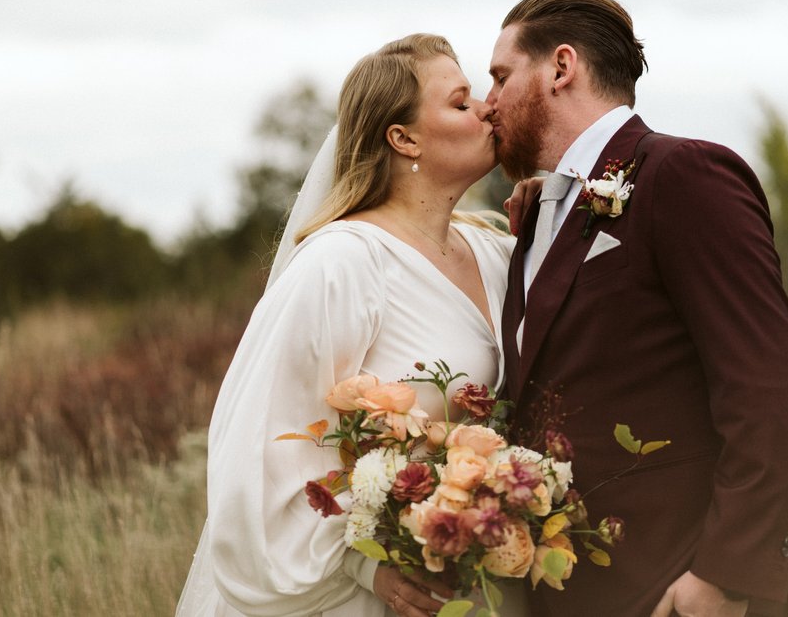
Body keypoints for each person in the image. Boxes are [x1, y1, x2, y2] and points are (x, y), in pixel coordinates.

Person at [175, 33, 527, 617]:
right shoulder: (343, 264)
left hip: (485, 581)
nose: (488, 108)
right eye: (461, 103)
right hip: (376, 594)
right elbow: (260, 450)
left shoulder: (498, 253)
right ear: (404, 137)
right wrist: (367, 567)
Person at [490, 0, 788, 616]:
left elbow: (765, 387)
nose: (488, 103)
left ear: (561, 67)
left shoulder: (683, 175)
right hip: (573, 589)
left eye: (501, 77)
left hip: (680, 586)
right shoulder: (539, 215)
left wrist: (723, 576)